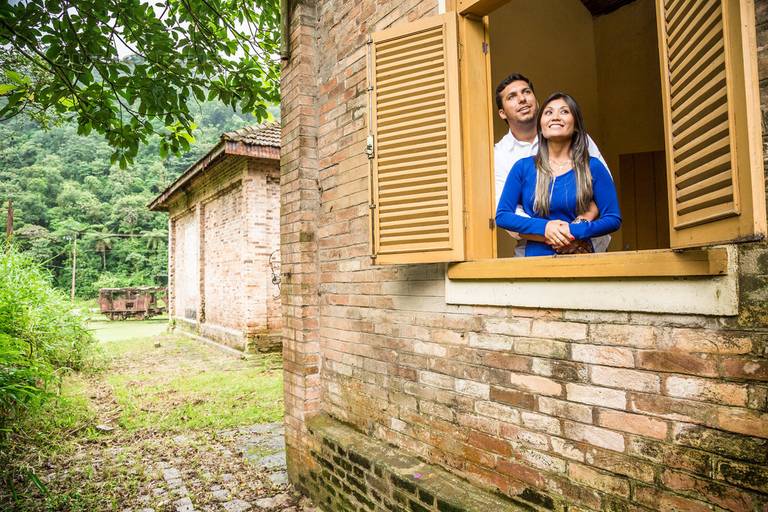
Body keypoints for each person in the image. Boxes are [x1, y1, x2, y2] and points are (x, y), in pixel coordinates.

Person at [494, 73, 610, 255]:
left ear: (537, 102)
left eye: (526, 92)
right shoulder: (499, 155)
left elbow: (602, 192)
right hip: (535, 252)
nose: (522, 99)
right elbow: (508, 214)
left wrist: (577, 231)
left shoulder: (580, 141)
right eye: (512, 96)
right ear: (502, 113)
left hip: (588, 246)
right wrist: (554, 234)